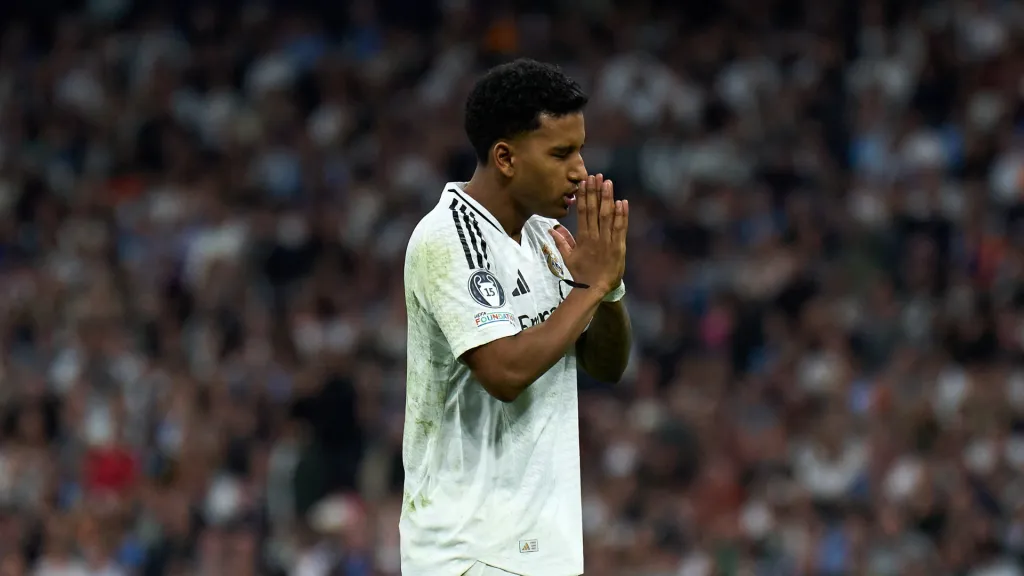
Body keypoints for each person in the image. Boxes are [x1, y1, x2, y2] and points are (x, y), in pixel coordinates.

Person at [400, 58, 633, 576]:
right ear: (505, 157)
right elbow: (504, 373)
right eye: (560, 152)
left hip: (540, 549)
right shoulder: (448, 239)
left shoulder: (543, 239)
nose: (580, 169)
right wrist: (588, 287)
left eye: (580, 149)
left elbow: (607, 366)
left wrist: (608, 288)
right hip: (471, 550)